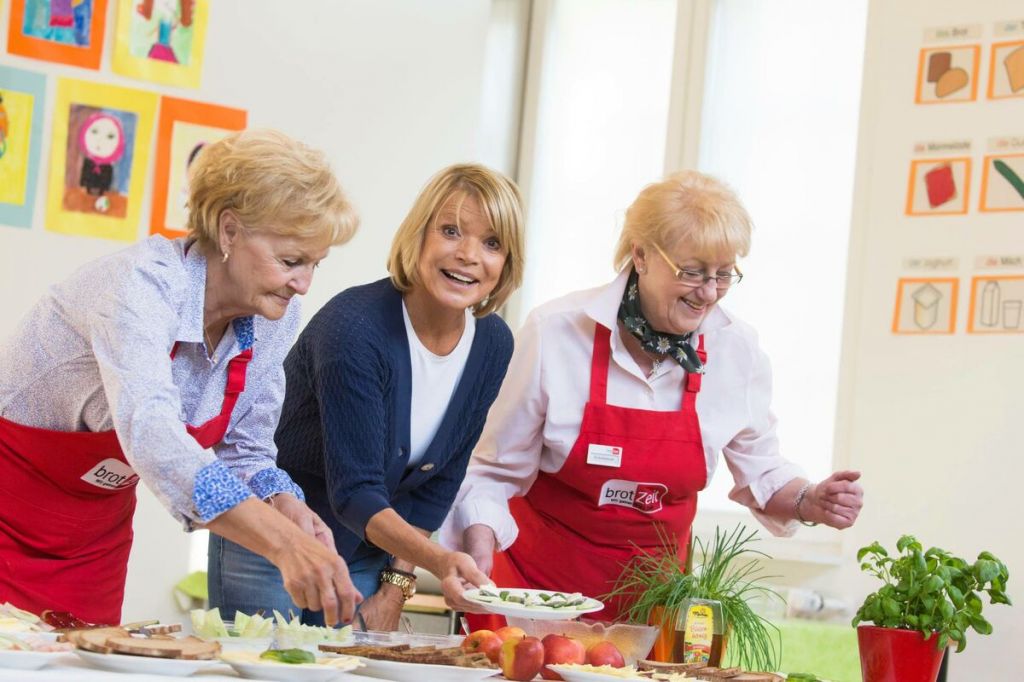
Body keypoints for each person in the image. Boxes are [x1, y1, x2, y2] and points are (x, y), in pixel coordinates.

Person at [440, 171, 865, 625]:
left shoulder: (736, 350)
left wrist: (810, 499)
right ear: (641, 255)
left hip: (652, 611)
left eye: (724, 275)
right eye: (693, 271)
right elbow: (493, 471)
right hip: (533, 596)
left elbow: (764, 471)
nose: (708, 293)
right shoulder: (557, 333)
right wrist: (478, 547)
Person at [0, 129, 362, 626]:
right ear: (230, 231)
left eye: (314, 264)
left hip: (93, 533)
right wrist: (281, 546)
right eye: (290, 261)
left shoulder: (272, 319)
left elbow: (245, 449)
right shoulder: (140, 286)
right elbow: (154, 436)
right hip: (8, 504)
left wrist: (286, 505)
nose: (303, 284)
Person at [209, 163, 525, 630]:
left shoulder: (493, 344)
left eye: (492, 243)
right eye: (451, 231)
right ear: (418, 236)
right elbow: (355, 492)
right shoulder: (355, 327)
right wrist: (441, 561)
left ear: (507, 263)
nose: (468, 255)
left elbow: (438, 484)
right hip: (273, 534)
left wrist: (397, 586)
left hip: (366, 549)